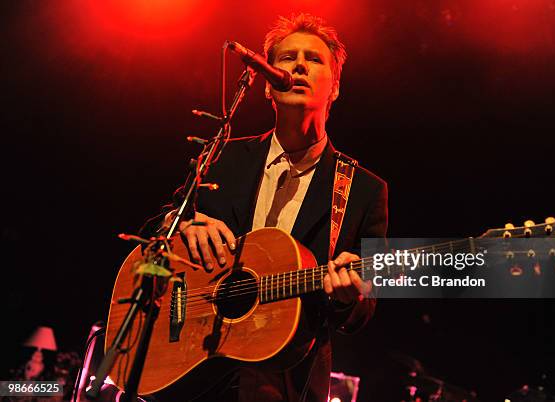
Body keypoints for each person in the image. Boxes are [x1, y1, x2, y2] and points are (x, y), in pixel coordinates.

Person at [143, 13, 388, 402]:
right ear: (266, 86)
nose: (300, 66)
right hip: (191, 373)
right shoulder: (223, 155)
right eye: (288, 58)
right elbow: (156, 234)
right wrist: (182, 225)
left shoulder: (362, 190)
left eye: (314, 59)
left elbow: (364, 307)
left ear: (336, 87)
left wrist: (349, 297)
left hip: (286, 382)